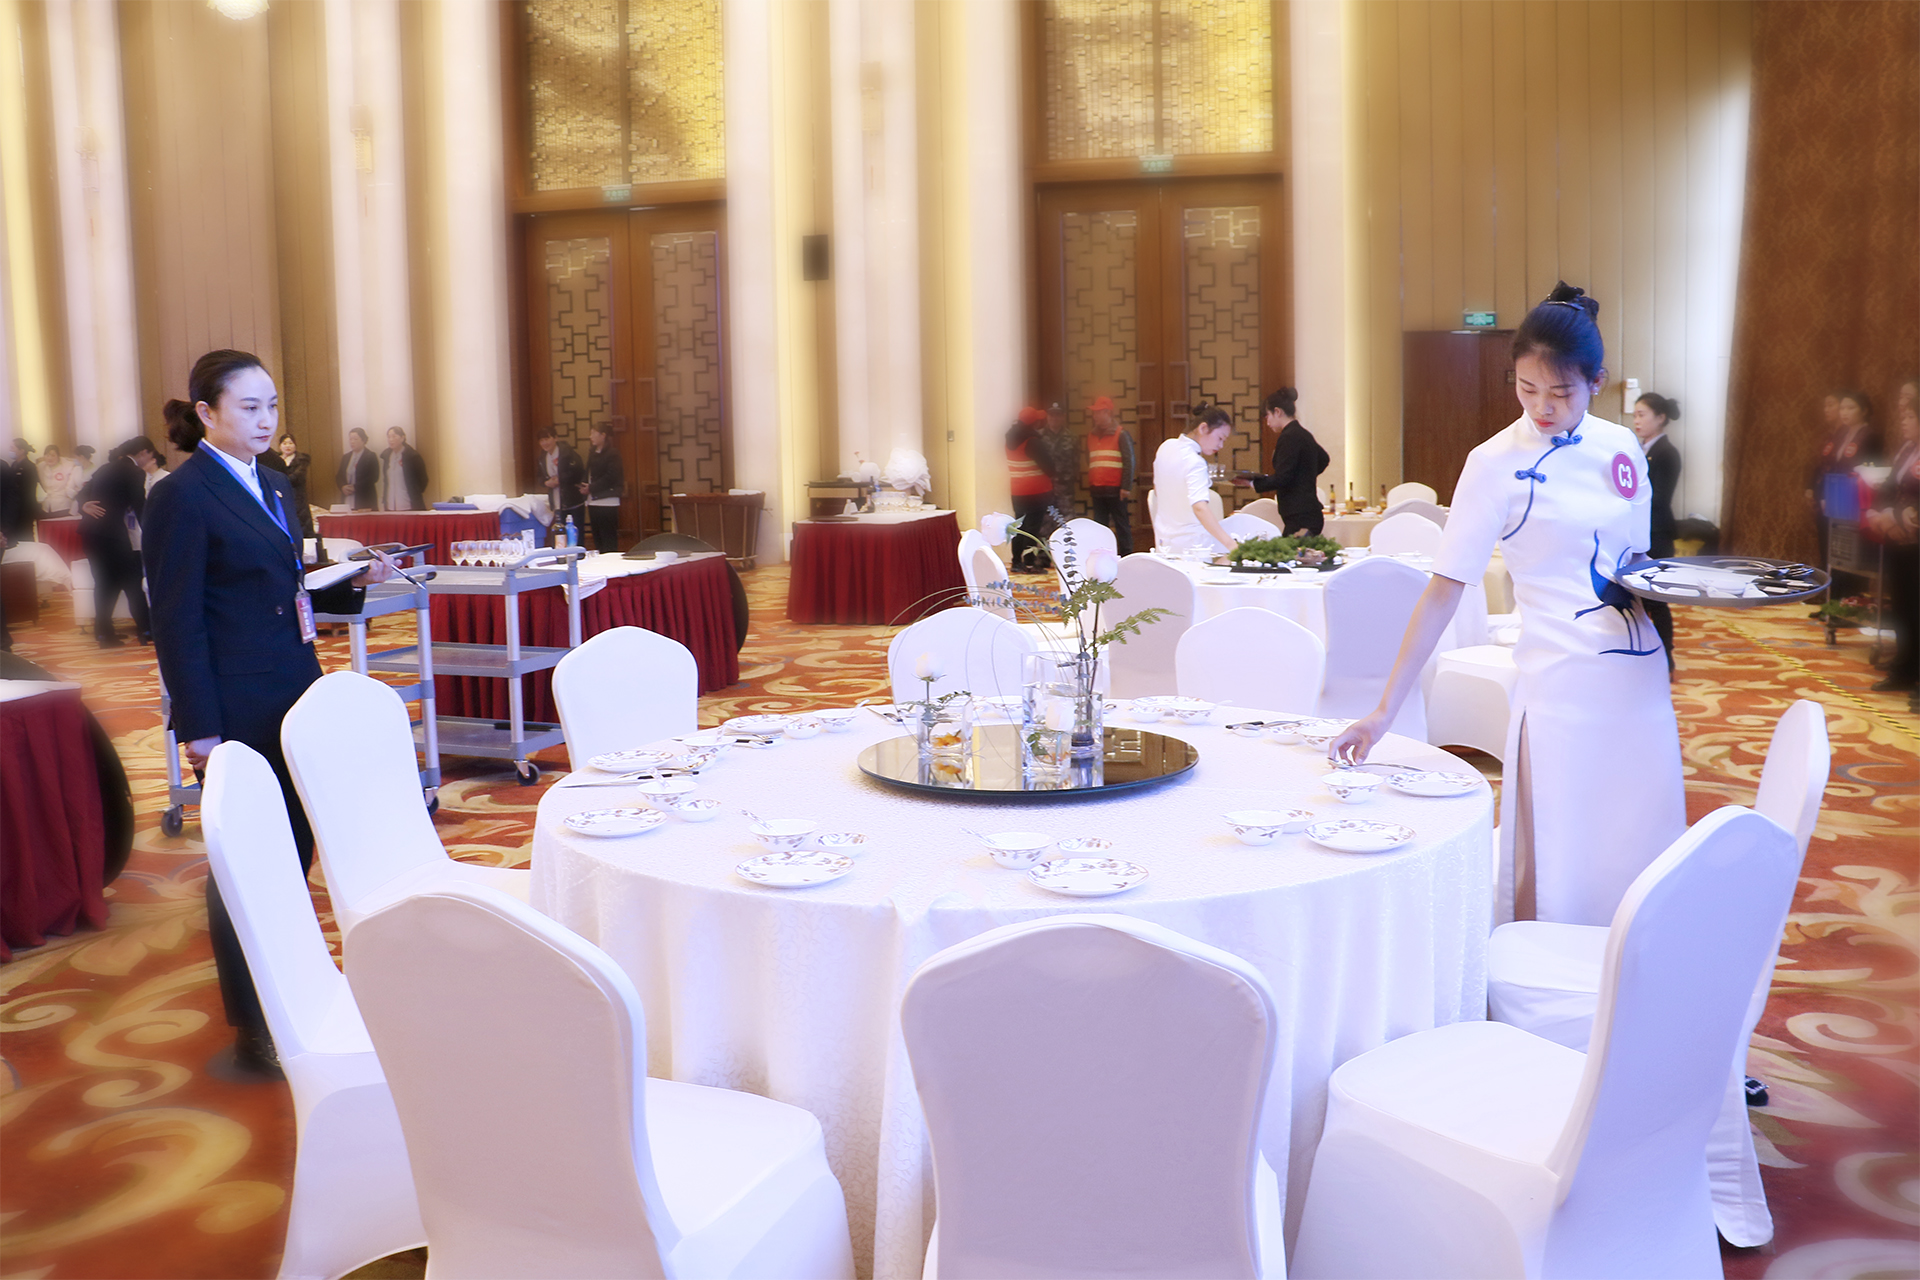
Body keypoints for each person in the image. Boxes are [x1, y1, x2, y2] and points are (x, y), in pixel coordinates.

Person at [1332, 282, 1685, 929]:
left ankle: (1637, 972)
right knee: (1558, 861)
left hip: (1637, 680)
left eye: (1561, 393)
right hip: (1559, 683)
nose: (1542, 407)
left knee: (1640, 839)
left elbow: (1636, 564)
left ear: (1597, 382)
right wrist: (1384, 710)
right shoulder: (1492, 463)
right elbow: (1445, 588)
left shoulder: (1621, 448)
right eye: (1527, 389)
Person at [143, 350, 390, 1077]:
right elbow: (178, 621)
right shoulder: (181, 496)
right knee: (249, 856)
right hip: (234, 702)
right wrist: (200, 728)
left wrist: (354, 580)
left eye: (272, 405)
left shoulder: (276, 483)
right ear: (206, 413)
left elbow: (286, 586)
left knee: (299, 841)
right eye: (248, 407)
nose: (265, 419)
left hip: (295, 689)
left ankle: (293, 982)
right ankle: (254, 1021)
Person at [77, 438, 161, 647]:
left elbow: (82, 494)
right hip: (112, 535)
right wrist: (155, 535)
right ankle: (146, 630)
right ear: (143, 452)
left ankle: (104, 632)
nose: (150, 459)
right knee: (131, 580)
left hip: (90, 532)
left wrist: (84, 506)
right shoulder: (134, 472)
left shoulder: (106, 468)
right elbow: (140, 507)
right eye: (150, 455)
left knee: (105, 583)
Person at [1865, 383, 1918, 704]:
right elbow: (1889, 488)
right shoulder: (1906, 450)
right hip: (1901, 541)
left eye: (1910, 415)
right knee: (1902, 607)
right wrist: (1884, 515)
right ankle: (1905, 668)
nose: (1903, 420)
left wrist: (1899, 517)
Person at [1631, 392, 1683, 670]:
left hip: (1657, 534)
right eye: (1635, 415)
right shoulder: (1642, 449)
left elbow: (1658, 498)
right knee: (1639, 597)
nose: (1636, 421)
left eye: (1642, 415)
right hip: (1642, 532)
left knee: (1655, 599)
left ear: (1660, 418)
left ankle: (1667, 658)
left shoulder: (1666, 453)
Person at [1236, 387, 1330, 536]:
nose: (1267, 422)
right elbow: (1324, 459)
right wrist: (1304, 475)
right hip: (1308, 512)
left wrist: (1252, 483)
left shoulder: (1289, 437)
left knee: (1292, 550)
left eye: (1267, 416)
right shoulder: (1303, 434)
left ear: (1277, 412)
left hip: (1300, 514)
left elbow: (1282, 477)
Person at [1151, 405, 1239, 555]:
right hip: (1192, 545)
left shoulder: (1166, 446)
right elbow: (1199, 508)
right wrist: (1232, 545)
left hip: (1163, 541)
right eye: (1220, 438)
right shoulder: (1195, 462)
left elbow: (1157, 490)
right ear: (1203, 428)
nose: (1221, 445)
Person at [1083, 396, 1136, 557]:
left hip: (1116, 488)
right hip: (1097, 488)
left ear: (1108, 412)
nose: (1095, 416)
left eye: (1098, 412)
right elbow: (1089, 458)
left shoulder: (1121, 434)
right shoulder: (1091, 435)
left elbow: (1129, 461)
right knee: (1100, 526)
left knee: (1121, 524)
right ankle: (1101, 557)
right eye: (1094, 413)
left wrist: (1126, 487)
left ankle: (1126, 556)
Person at [1005, 406, 1056, 571]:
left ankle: (1016, 562)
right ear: (1033, 423)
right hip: (1036, 491)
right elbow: (1050, 467)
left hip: (1017, 491)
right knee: (1033, 528)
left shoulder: (1010, 439)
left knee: (1019, 526)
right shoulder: (1033, 441)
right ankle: (1029, 562)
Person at [536, 427, 586, 541]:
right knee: (560, 536)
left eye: (547, 439)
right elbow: (539, 476)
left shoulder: (568, 453)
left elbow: (578, 472)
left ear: (555, 438)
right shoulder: (542, 457)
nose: (544, 443)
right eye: (541, 440)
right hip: (556, 501)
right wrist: (546, 482)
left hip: (572, 500)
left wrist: (560, 480)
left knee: (575, 536)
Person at [585, 424, 626, 552]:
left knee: (608, 538)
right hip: (593, 499)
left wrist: (591, 487)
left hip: (607, 500)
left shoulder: (613, 453)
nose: (591, 436)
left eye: (594, 433)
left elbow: (611, 476)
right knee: (597, 538)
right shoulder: (592, 452)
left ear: (603, 435)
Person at [1040, 401, 1078, 523]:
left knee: (1067, 523)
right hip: (1045, 488)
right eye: (1051, 415)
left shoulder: (1072, 437)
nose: (1054, 418)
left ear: (1063, 417)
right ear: (1047, 416)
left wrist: (1071, 479)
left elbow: (1076, 461)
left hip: (1065, 489)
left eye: (1058, 415)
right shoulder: (1038, 436)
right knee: (1045, 522)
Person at [275, 433, 316, 538]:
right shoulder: (275, 460)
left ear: (295, 445)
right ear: (280, 446)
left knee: (301, 530)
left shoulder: (301, 459)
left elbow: (297, 477)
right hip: (280, 498)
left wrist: (280, 480)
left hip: (297, 499)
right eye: (284, 443)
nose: (287, 446)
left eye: (290, 443)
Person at [381, 426, 428, 511]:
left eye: (394, 436)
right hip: (390, 504)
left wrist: (414, 492)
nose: (391, 440)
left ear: (402, 438)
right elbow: (386, 480)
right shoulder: (387, 456)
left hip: (409, 503)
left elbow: (423, 480)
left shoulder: (412, 456)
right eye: (389, 437)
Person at [337, 428, 379, 511]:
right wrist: (342, 486)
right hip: (347, 498)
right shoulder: (346, 457)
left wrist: (355, 487)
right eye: (350, 439)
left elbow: (374, 477)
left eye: (355, 439)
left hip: (364, 498)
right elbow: (339, 476)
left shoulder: (370, 456)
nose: (352, 442)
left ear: (363, 440)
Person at [37, 445, 74, 516]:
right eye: (47, 455)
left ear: (58, 456)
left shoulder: (66, 467)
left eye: (53, 455)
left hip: (63, 505)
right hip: (47, 506)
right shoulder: (41, 467)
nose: (50, 458)